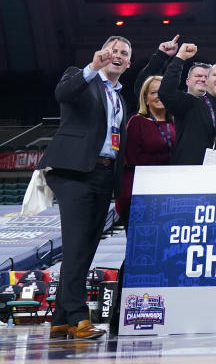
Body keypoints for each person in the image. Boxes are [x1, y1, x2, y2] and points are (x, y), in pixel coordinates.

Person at [39, 36, 132, 339]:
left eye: (124, 54)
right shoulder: (80, 76)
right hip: (75, 174)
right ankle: (79, 318)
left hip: (104, 175)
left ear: (128, 63)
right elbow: (62, 93)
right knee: (77, 245)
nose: (117, 56)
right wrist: (92, 67)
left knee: (85, 248)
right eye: (114, 50)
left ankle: (60, 319)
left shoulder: (120, 96)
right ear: (103, 53)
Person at [159, 43, 216, 165]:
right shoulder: (190, 103)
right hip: (186, 178)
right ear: (207, 81)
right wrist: (180, 57)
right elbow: (165, 92)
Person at [116, 75, 174, 224]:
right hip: (139, 194)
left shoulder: (177, 123)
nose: (158, 96)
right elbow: (131, 159)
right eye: (153, 92)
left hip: (171, 192)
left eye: (162, 91)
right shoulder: (137, 122)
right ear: (146, 99)